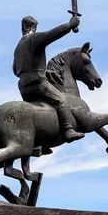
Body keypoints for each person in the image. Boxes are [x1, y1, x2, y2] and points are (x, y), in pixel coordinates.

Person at [13, 15, 84, 144]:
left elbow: (15, 70)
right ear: (34, 27)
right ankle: (68, 130)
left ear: (22, 27)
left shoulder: (18, 48)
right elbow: (51, 35)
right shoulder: (34, 38)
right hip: (38, 83)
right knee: (61, 100)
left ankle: (39, 144)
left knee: (38, 112)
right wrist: (69, 25)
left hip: (24, 87)